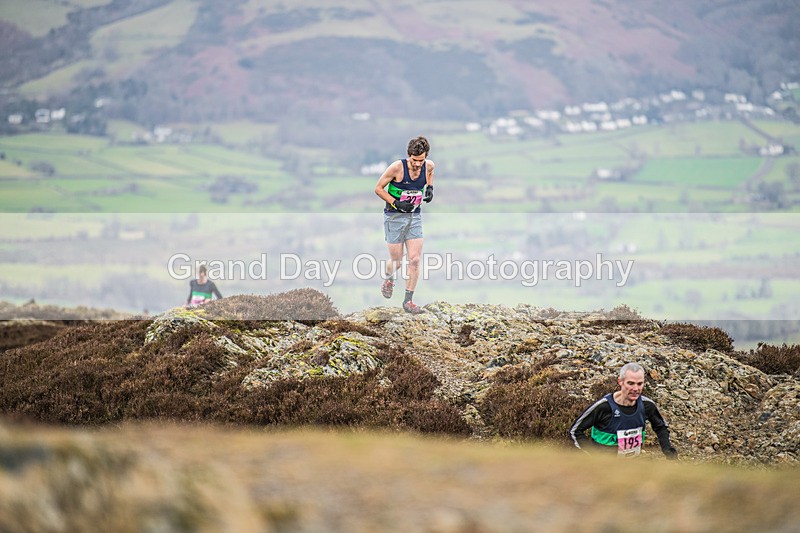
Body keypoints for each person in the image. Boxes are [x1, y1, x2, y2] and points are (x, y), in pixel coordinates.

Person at [374, 136, 435, 314]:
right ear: (408, 155)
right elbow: (378, 188)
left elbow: (430, 173)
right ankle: (389, 278)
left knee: (415, 259)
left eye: (420, 160)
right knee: (397, 261)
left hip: (414, 217)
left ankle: (408, 301)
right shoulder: (397, 168)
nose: (417, 164)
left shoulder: (428, 166)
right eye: (414, 160)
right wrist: (396, 203)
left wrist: (430, 188)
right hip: (394, 217)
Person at [569, 362, 678, 459]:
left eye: (640, 384)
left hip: (630, 467)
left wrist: (667, 450)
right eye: (630, 383)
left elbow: (661, 427)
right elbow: (575, 431)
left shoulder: (647, 405)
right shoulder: (603, 407)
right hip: (602, 469)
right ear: (620, 382)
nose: (635, 389)